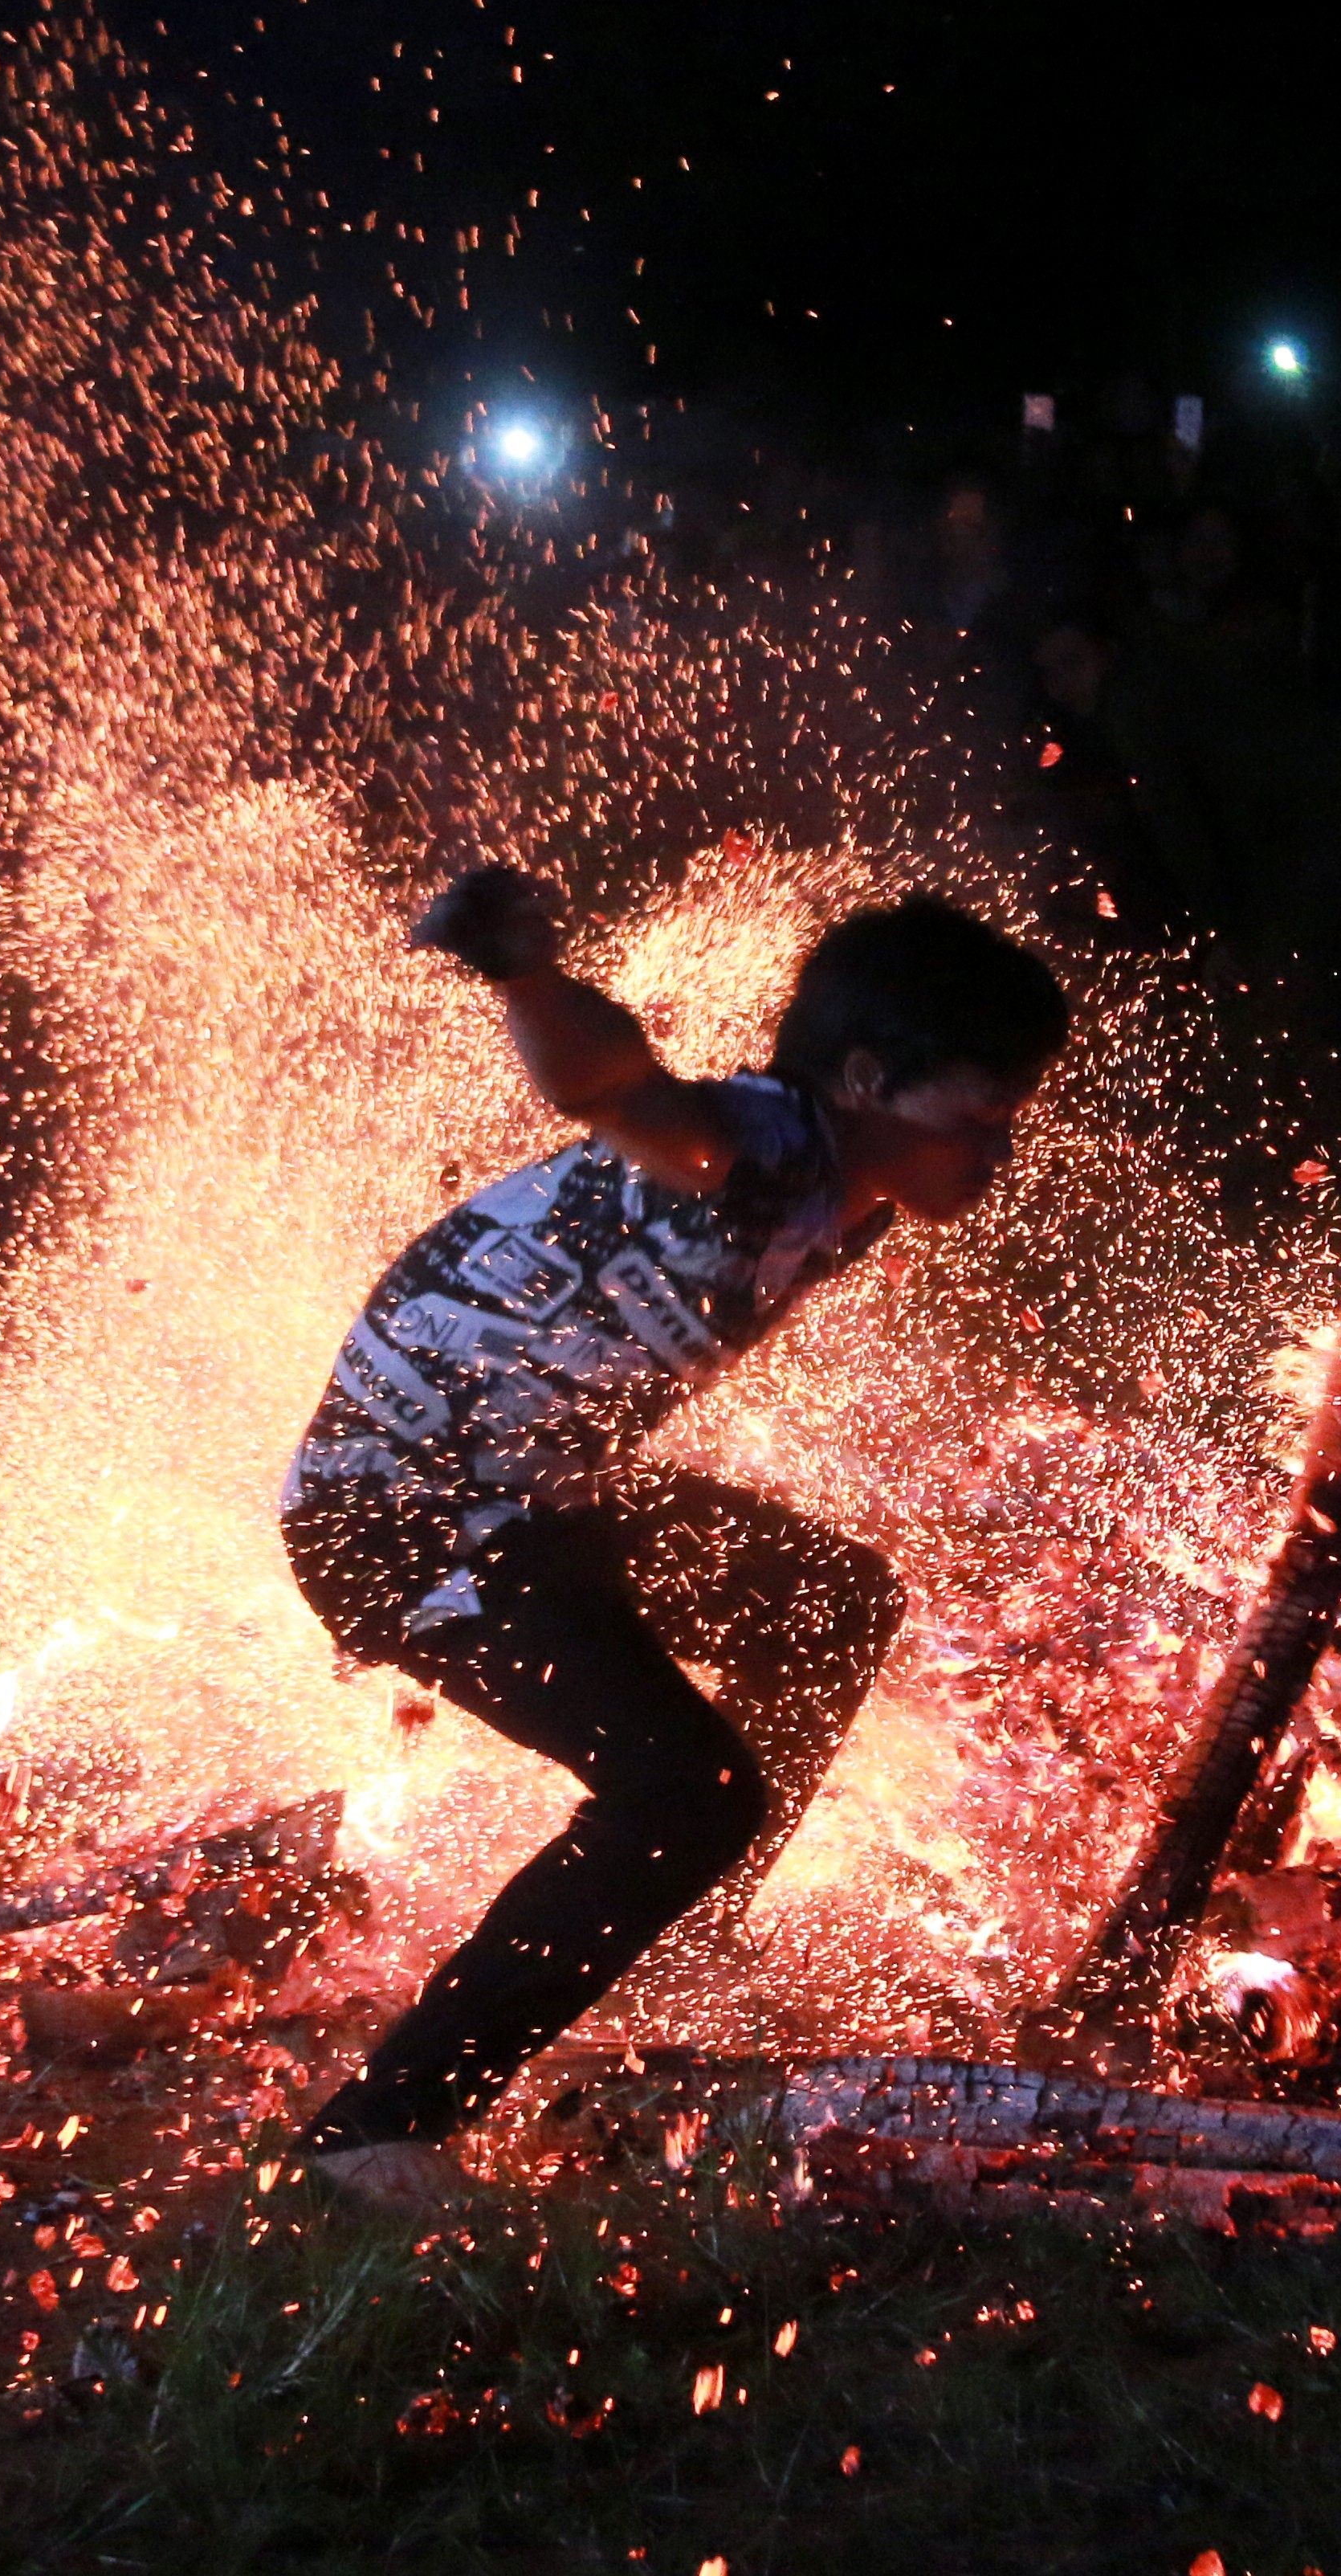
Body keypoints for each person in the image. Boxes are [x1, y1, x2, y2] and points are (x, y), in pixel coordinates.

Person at [275, 872, 1065, 2203]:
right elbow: (616, 1090)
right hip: (399, 1525)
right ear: (864, 1075)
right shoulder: (773, 1144)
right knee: (682, 1789)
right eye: (977, 1117)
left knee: (828, 1599)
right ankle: (376, 2126)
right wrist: (520, 971)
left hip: (540, 1497)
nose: (993, 1154)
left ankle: (687, 1941)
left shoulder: (855, 1184)